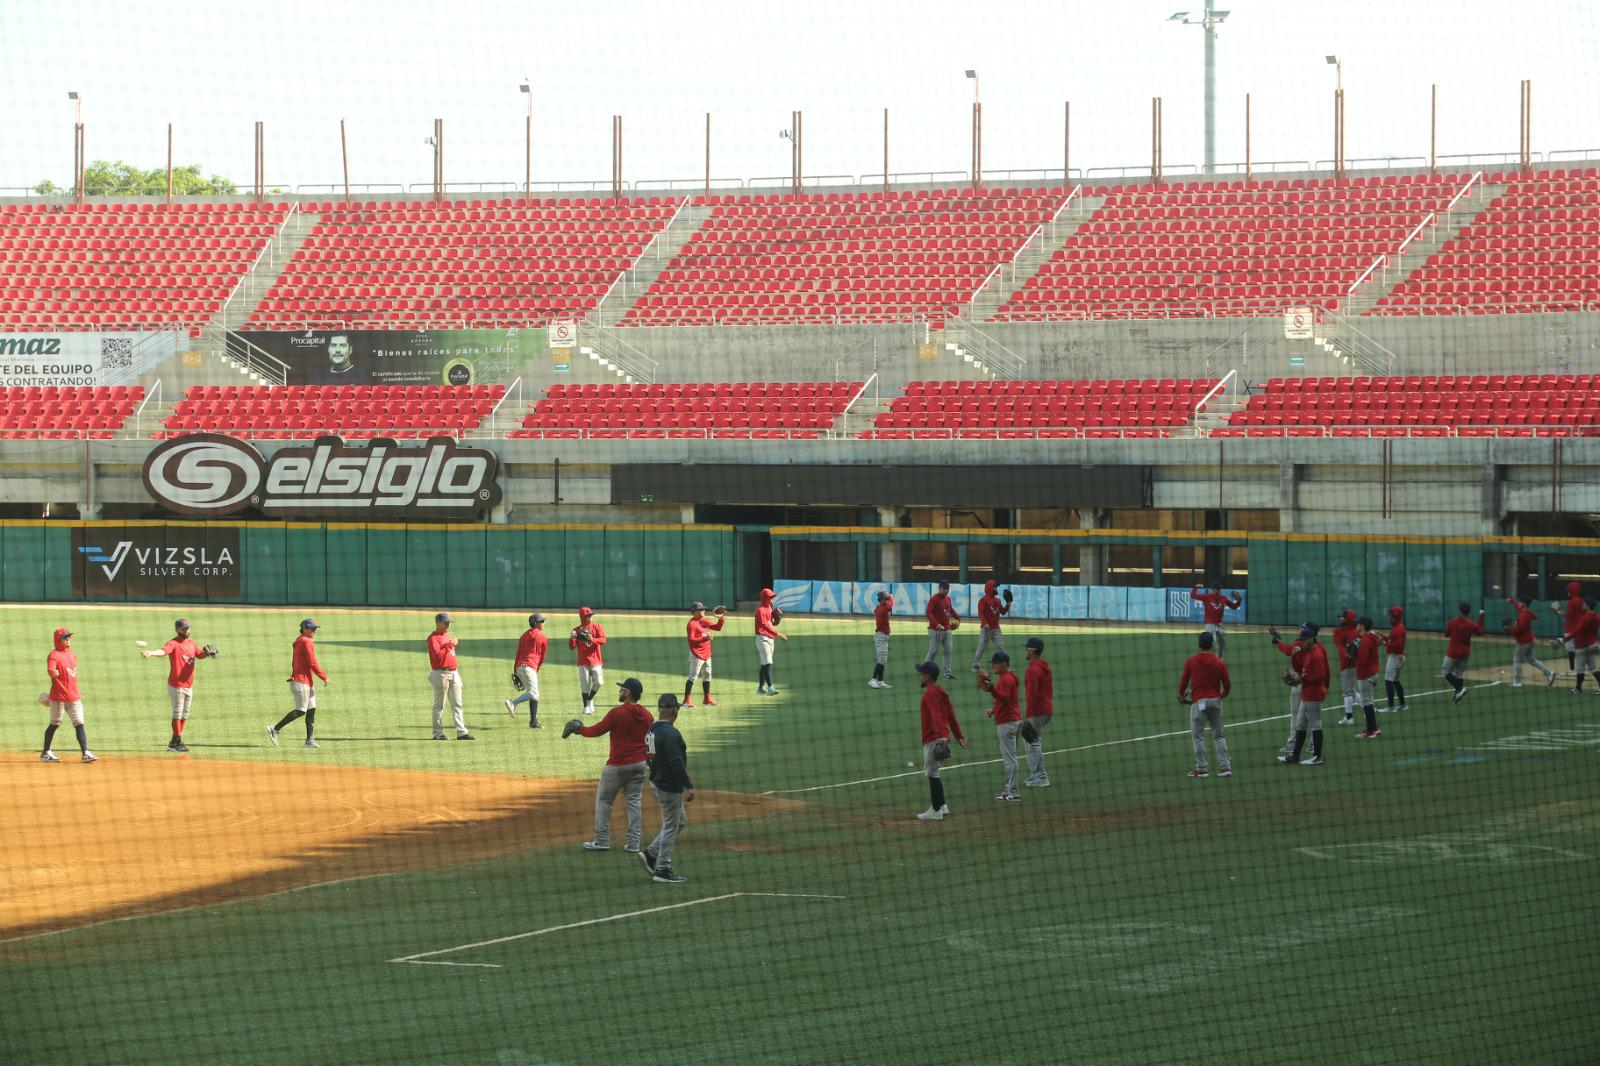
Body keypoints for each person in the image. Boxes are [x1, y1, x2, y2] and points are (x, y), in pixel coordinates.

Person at [572, 677, 654, 854]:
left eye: (622, 689)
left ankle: (601, 840)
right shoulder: (647, 715)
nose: (620, 691)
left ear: (628, 693)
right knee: (634, 803)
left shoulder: (618, 713)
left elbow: (597, 730)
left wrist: (579, 729)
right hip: (640, 765)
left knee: (605, 801)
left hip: (617, 766)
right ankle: (634, 844)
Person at [641, 693, 694, 883]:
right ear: (674, 710)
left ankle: (650, 853)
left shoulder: (652, 730)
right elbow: (677, 763)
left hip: (657, 782)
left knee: (680, 821)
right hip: (669, 786)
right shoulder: (671, 733)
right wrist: (688, 786)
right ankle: (663, 869)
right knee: (671, 826)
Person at [141, 617, 215, 753]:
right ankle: (177, 741)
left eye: (187, 628)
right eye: (183, 629)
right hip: (176, 685)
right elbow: (163, 651)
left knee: (185, 714)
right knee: (178, 712)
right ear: (177, 630)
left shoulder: (191, 643)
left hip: (188, 685)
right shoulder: (173, 643)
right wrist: (150, 653)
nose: (186, 630)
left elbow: (200, 655)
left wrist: (207, 653)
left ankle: (174, 742)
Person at [915, 661, 969, 821]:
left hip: (934, 738)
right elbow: (951, 715)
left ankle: (936, 810)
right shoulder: (940, 691)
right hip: (940, 737)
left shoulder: (930, 693)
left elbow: (936, 716)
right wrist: (959, 736)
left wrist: (939, 737)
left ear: (928, 676)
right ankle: (942, 805)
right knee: (935, 772)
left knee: (932, 774)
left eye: (921, 674)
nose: (919, 677)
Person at [268, 618, 330, 749]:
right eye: (312, 629)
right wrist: (324, 677)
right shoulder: (306, 641)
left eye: (315, 629)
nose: (315, 631)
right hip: (301, 681)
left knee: (311, 709)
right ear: (305, 629)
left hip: (305, 681)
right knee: (301, 710)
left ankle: (309, 740)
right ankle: (275, 729)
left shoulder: (300, 640)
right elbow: (312, 662)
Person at [1178, 631, 1231, 778]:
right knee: (1219, 736)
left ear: (1198, 644)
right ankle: (1225, 767)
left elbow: (1183, 681)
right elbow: (1227, 684)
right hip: (1215, 702)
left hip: (1198, 703)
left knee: (1198, 737)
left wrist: (1181, 695)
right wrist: (1222, 695)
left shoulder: (1191, 661)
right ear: (1212, 644)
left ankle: (1202, 769)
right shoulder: (1219, 662)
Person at [41, 627, 93, 763]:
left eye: (69, 636)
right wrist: (52, 672)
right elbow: (51, 668)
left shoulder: (72, 654)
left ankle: (85, 753)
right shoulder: (53, 655)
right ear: (58, 640)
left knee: (79, 724)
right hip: (58, 698)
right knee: (54, 724)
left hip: (74, 696)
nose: (68, 639)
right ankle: (46, 753)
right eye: (65, 637)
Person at [976, 650, 1022, 801]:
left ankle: (1013, 793)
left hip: (1007, 723)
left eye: (995, 664)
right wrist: (994, 709)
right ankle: (1008, 791)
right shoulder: (1010, 677)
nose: (993, 666)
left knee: (1010, 760)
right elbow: (1008, 700)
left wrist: (992, 689)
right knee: (1010, 758)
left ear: (1003, 664)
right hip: (1015, 720)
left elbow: (1005, 699)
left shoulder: (1005, 680)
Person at [1280, 623, 1329, 766]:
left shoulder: (1317, 654)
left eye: (1304, 640)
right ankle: (1295, 756)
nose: (1302, 643)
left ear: (1311, 639)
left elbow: (1321, 675)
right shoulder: (1309, 653)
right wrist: (1301, 677)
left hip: (1314, 694)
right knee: (1300, 724)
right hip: (1307, 694)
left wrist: (1303, 679)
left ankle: (1317, 757)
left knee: (1315, 723)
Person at [427, 612, 473, 740]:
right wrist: (451, 644)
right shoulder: (432, 638)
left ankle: (461, 732)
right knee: (439, 705)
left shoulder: (447, 635)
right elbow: (438, 655)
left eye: (448, 622)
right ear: (438, 623)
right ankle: (438, 734)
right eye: (445, 622)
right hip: (440, 674)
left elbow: (451, 656)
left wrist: (458, 677)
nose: (448, 624)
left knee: (458, 704)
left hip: (454, 673)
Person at [1021, 636, 1054, 787]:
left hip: (1038, 711)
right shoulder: (1045, 666)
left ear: (1032, 651)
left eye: (1027, 649)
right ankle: (1035, 775)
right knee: (1029, 740)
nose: (1026, 651)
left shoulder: (1032, 670)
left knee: (1033, 742)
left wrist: (1028, 714)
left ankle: (1041, 777)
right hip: (1046, 708)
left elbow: (1032, 695)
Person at [1274, 622, 1310, 757]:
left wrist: (1278, 643)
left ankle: (1292, 744)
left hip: (1300, 683)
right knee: (1312, 716)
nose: (1300, 629)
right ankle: (1313, 745)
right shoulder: (1316, 647)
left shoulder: (1298, 643)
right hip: (1312, 684)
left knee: (1296, 715)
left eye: (1302, 628)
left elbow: (1288, 651)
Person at [505, 613, 547, 727]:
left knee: (534, 694)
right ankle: (513, 703)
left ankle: (533, 722)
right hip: (530, 667)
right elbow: (542, 657)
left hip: (520, 666)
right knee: (534, 693)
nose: (543, 623)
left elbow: (518, 653)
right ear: (535, 623)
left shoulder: (523, 636)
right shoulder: (543, 638)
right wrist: (537, 668)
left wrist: (515, 669)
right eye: (541, 621)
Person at [1504, 597, 1555, 688]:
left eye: (1520, 602)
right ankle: (1549, 673)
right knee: (1531, 660)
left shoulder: (1524, 616)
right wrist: (1512, 601)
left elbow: (1519, 630)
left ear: (1524, 604)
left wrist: (1509, 629)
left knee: (1517, 659)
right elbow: (1526, 612)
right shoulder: (1526, 612)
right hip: (1530, 640)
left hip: (1524, 642)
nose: (1519, 604)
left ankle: (1517, 682)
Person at [1442, 602, 1486, 704]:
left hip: (1453, 652)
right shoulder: (1471, 624)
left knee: (1445, 671)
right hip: (1465, 653)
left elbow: (1446, 634)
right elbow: (1480, 632)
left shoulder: (1453, 622)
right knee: (1459, 673)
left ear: (1460, 610)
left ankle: (1460, 689)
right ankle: (1457, 697)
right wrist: (1481, 617)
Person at [683, 602, 724, 707]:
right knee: (693, 677)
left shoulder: (705, 621)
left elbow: (718, 628)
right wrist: (704, 638)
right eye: (702, 610)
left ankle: (707, 699)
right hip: (696, 654)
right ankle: (686, 701)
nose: (704, 611)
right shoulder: (692, 624)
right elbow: (692, 640)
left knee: (707, 676)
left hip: (707, 654)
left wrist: (720, 618)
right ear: (695, 612)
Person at [569, 606, 607, 715]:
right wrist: (572, 638)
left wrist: (592, 639)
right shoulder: (576, 630)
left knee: (599, 682)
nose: (589, 617)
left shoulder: (597, 627)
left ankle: (590, 699)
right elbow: (572, 647)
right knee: (585, 685)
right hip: (583, 662)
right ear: (581, 617)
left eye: (590, 615)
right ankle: (586, 707)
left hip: (596, 660)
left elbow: (603, 640)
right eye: (587, 616)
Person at [1191, 583, 1243, 659]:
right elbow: (1193, 596)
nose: (1216, 590)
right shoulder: (1207, 597)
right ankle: (1208, 659)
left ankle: (1219, 660)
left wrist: (1239, 601)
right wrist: (1196, 587)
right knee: (1212, 642)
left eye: (1218, 589)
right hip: (1210, 623)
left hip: (1220, 624)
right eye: (1214, 589)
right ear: (1212, 589)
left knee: (1222, 643)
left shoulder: (1224, 598)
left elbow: (1233, 606)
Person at [1351, 616, 1382, 738]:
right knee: (1368, 701)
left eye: (1358, 623)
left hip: (1366, 674)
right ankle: (1374, 728)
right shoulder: (1371, 636)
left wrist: (1353, 656)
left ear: (1363, 625)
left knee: (1367, 703)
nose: (1357, 625)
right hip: (1373, 672)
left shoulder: (1365, 640)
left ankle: (1371, 731)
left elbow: (1363, 660)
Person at [970, 579, 1011, 672]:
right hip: (986, 629)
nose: (996, 589)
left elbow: (1003, 612)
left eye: (996, 587)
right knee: (982, 647)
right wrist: (985, 623)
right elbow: (981, 613)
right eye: (995, 587)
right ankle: (974, 665)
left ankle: (1005, 666)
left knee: (1001, 647)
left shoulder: (998, 600)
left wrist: (1008, 604)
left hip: (996, 629)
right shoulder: (983, 600)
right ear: (989, 588)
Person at [754, 587, 787, 695]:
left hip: (770, 639)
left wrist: (776, 622)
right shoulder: (760, 610)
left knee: (764, 664)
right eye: (770, 597)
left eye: (773, 597)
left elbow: (770, 624)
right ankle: (770, 687)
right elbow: (764, 626)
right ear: (765, 598)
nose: (772, 599)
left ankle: (760, 689)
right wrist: (778, 634)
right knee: (768, 663)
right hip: (762, 639)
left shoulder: (769, 608)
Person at [925, 580, 959, 679]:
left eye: (947, 589)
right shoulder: (934, 599)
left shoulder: (948, 599)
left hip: (947, 630)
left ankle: (947, 673)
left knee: (949, 650)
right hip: (935, 631)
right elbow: (928, 612)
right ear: (940, 588)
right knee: (933, 652)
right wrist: (936, 624)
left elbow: (950, 610)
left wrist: (958, 618)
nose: (946, 590)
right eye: (944, 588)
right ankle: (925, 670)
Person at [1332, 609, 1359, 725]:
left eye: (1342, 617)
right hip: (1353, 665)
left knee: (1347, 691)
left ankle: (1349, 718)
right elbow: (1340, 647)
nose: (1340, 619)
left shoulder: (1341, 632)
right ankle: (1369, 708)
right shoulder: (1355, 633)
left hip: (1348, 665)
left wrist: (1347, 655)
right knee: (1351, 690)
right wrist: (1346, 654)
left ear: (1347, 619)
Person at [1552, 581, 1584, 675]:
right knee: (1580, 649)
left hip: (1570, 629)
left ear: (1571, 590)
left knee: (1571, 650)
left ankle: (1572, 670)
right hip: (1580, 628)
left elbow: (1569, 615)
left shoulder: (1572, 601)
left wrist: (1558, 611)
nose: (1567, 592)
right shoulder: (1581, 601)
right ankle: (1581, 668)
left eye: (1569, 590)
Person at [1569, 598, 1600, 695]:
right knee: (1594, 669)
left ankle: (1578, 689)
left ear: (1588, 606)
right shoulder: (1597, 616)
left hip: (1583, 646)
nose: (1583, 605)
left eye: (1584, 604)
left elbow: (1577, 631)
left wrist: (1564, 639)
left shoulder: (1585, 618)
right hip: (1593, 645)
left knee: (1580, 669)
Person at [1380, 606, 1408, 712]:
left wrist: (1384, 643)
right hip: (1398, 656)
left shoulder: (1399, 629)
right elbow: (1394, 640)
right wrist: (1384, 637)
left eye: (1392, 616)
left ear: (1396, 617)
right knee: (1395, 681)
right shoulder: (1397, 627)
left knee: (1388, 680)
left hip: (1396, 657)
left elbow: (1398, 646)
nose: (1390, 618)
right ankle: (1403, 705)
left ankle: (1391, 707)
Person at [868, 590, 894, 689]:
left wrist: (889, 598)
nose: (887, 600)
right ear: (880, 600)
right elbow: (890, 605)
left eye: (887, 599)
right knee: (881, 659)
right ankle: (873, 680)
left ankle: (880, 681)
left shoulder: (882, 607)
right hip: (880, 636)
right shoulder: (882, 609)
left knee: (883, 659)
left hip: (884, 636)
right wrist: (891, 597)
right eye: (885, 599)